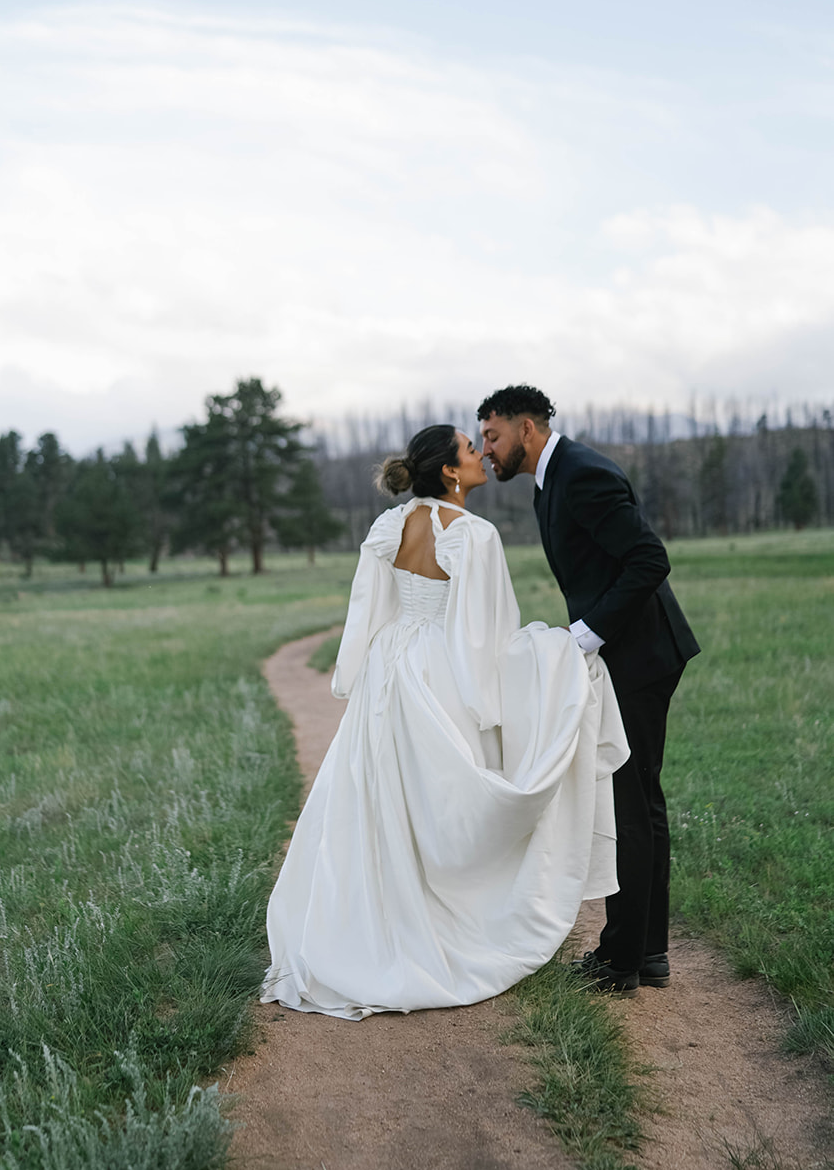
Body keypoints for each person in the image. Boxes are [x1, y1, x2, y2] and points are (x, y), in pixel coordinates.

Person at [260, 424, 629, 1021]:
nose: (482, 453)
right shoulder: (475, 535)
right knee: (442, 800)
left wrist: (354, 672)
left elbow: (367, 606)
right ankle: (440, 917)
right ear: (451, 472)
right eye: (469, 447)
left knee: (382, 794)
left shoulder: (389, 526)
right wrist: (545, 663)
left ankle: (366, 921)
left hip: (388, 663)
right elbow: (487, 634)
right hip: (436, 669)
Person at [478, 385, 700, 995]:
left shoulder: (580, 473)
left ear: (527, 430)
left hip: (640, 655)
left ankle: (621, 960)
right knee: (641, 803)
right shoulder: (554, 479)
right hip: (635, 654)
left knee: (630, 805)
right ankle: (646, 952)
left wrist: (587, 635)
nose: (485, 450)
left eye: (492, 436)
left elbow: (649, 559)